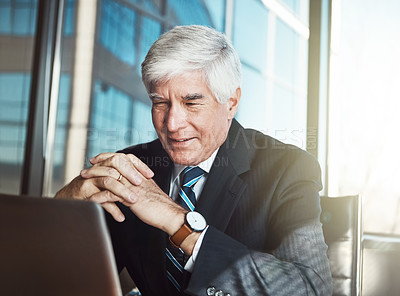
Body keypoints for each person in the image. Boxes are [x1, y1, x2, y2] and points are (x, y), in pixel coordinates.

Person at [56, 25, 332, 296]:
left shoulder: (288, 168)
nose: (172, 124)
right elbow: (74, 280)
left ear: (232, 103)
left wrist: (179, 223)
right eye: (160, 103)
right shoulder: (132, 167)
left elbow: (309, 288)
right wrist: (64, 210)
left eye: (191, 103)